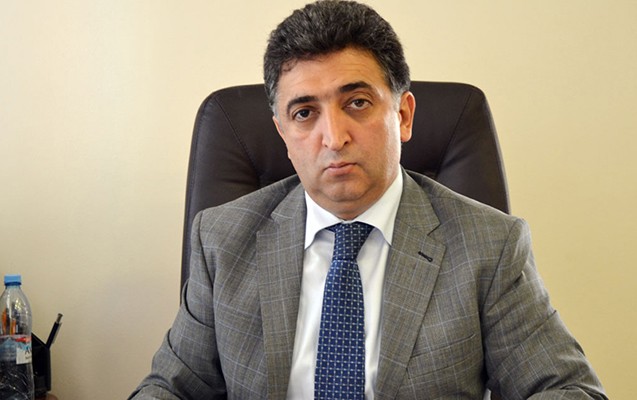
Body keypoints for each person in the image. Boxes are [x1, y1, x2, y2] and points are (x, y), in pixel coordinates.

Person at [130, 1, 607, 399]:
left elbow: (569, 390)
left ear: (402, 115)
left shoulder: (489, 246)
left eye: (357, 103)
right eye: (304, 113)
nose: (334, 137)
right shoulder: (223, 240)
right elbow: (170, 388)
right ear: (282, 133)